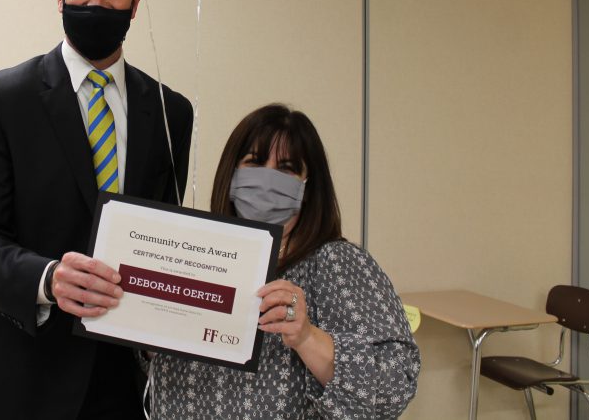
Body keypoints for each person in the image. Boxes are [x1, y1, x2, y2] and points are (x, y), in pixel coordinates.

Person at [0, 0, 193, 420]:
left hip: (126, 382)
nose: (97, 2)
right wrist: (47, 278)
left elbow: (164, 234)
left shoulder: (172, 112)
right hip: (21, 378)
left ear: (135, 3)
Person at [150, 104, 420, 419]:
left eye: (287, 168)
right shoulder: (198, 255)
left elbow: (394, 385)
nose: (267, 178)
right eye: (254, 162)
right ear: (232, 172)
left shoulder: (336, 263)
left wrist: (306, 337)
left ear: (307, 186)